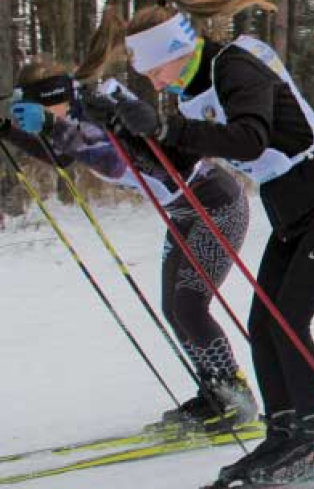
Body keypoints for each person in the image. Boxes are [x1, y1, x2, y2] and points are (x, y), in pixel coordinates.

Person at [80, 0, 314, 486]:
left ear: (174, 53)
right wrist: (122, 130)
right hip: (291, 208)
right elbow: (173, 170)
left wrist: (164, 129)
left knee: (289, 320)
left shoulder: (234, 66)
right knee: (264, 323)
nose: (151, 82)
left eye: (151, 71)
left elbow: (249, 138)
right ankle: (283, 436)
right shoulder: (193, 92)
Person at [7, 58, 256, 432]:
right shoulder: (73, 118)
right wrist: (9, 130)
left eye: (41, 109)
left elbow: (110, 156)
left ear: (55, 98)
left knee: (190, 306)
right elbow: (61, 152)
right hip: (184, 212)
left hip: (216, 206)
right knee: (173, 308)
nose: (41, 117)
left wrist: (49, 126)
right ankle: (213, 392)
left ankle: (236, 394)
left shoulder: (100, 112)